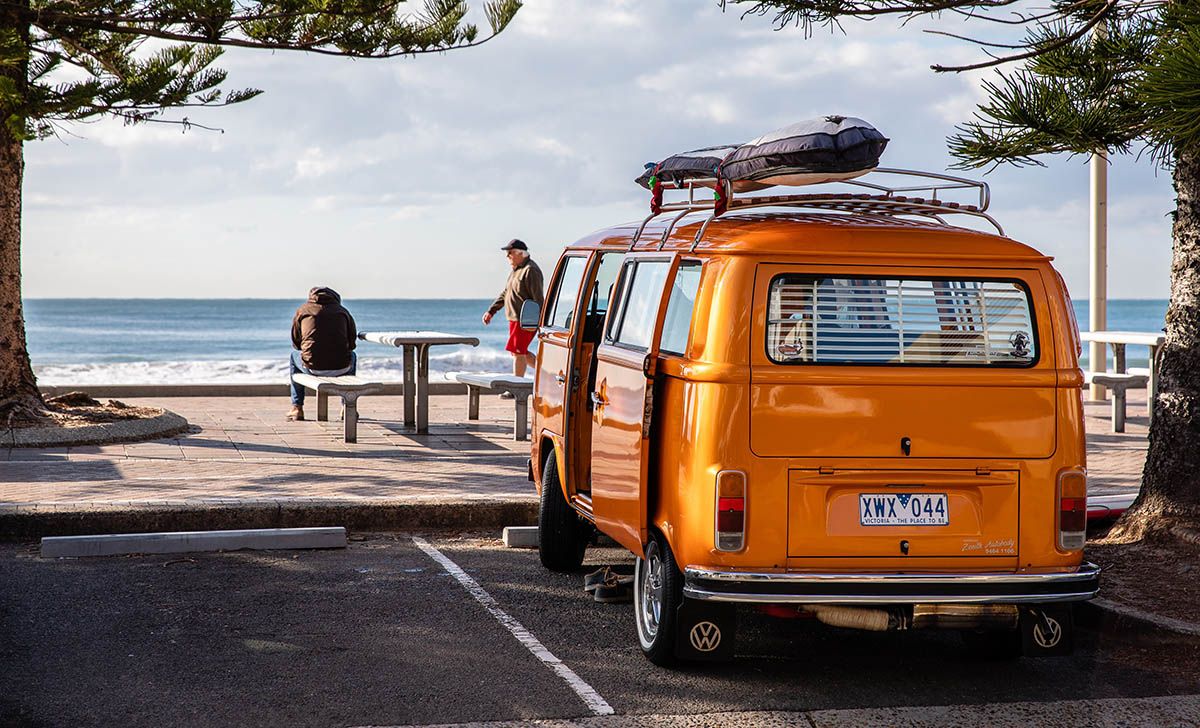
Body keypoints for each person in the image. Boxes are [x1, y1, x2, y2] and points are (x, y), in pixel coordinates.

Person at [482, 239, 544, 390]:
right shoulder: (516, 270)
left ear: (520, 253)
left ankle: (516, 388)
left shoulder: (531, 270)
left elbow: (538, 298)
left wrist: (541, 321)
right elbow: (506, 293)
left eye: (510, 253)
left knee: (518, 352)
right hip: (514, 319)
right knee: (518, 352)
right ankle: (545, 375)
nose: (507, 257)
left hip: (525, 319)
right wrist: (492, 310)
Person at [288, 286, 358, 420]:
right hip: (341, 368)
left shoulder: (302, 311)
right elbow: (352, 343)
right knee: (352, 356)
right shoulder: (343, 312)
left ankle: (297, 407)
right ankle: (346, 405)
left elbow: (296, 344)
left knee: (293, 356)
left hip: (312, 367)